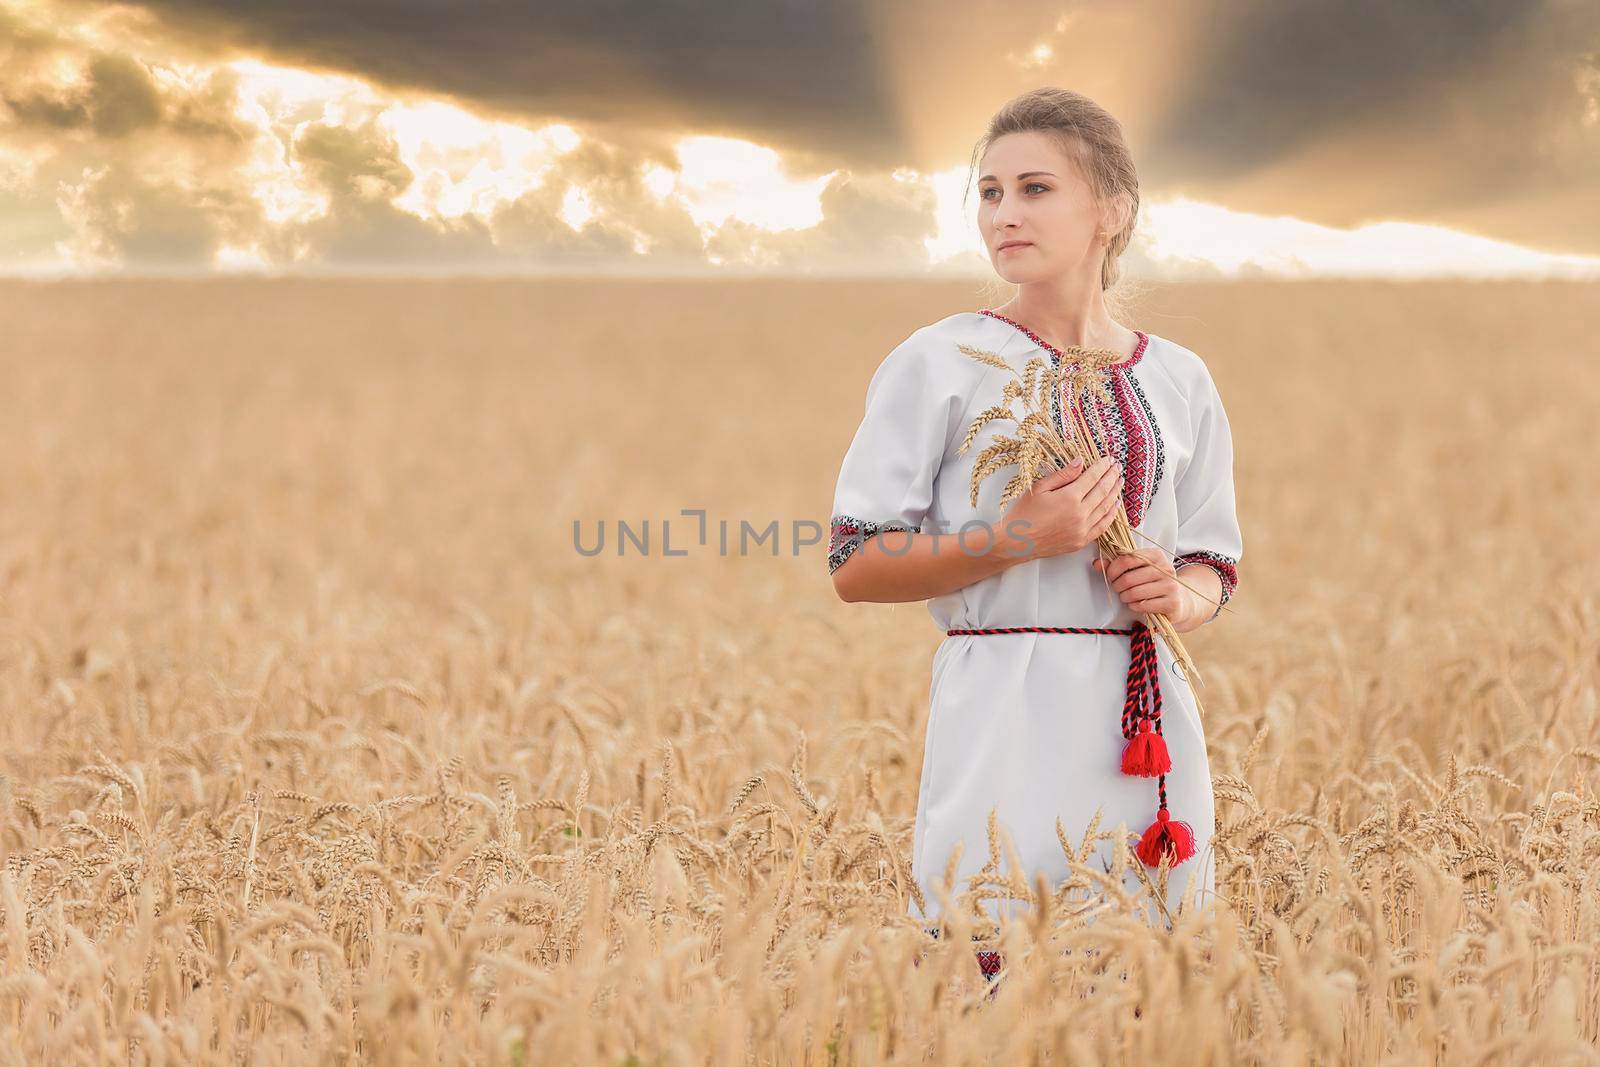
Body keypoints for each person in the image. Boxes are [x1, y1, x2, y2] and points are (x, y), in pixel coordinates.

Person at [826, 88, 1243, 952]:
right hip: (1003, 705)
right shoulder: (939, 360)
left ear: (1113, 211)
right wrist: (1012, 539)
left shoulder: (1180, 377)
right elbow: (854, 564)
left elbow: (1213, 561)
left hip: (1146, 721)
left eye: (1035, 189)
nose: (1004, 214)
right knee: (993, 960)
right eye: (989, 192)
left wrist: (1176, 595)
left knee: (1147, 975)